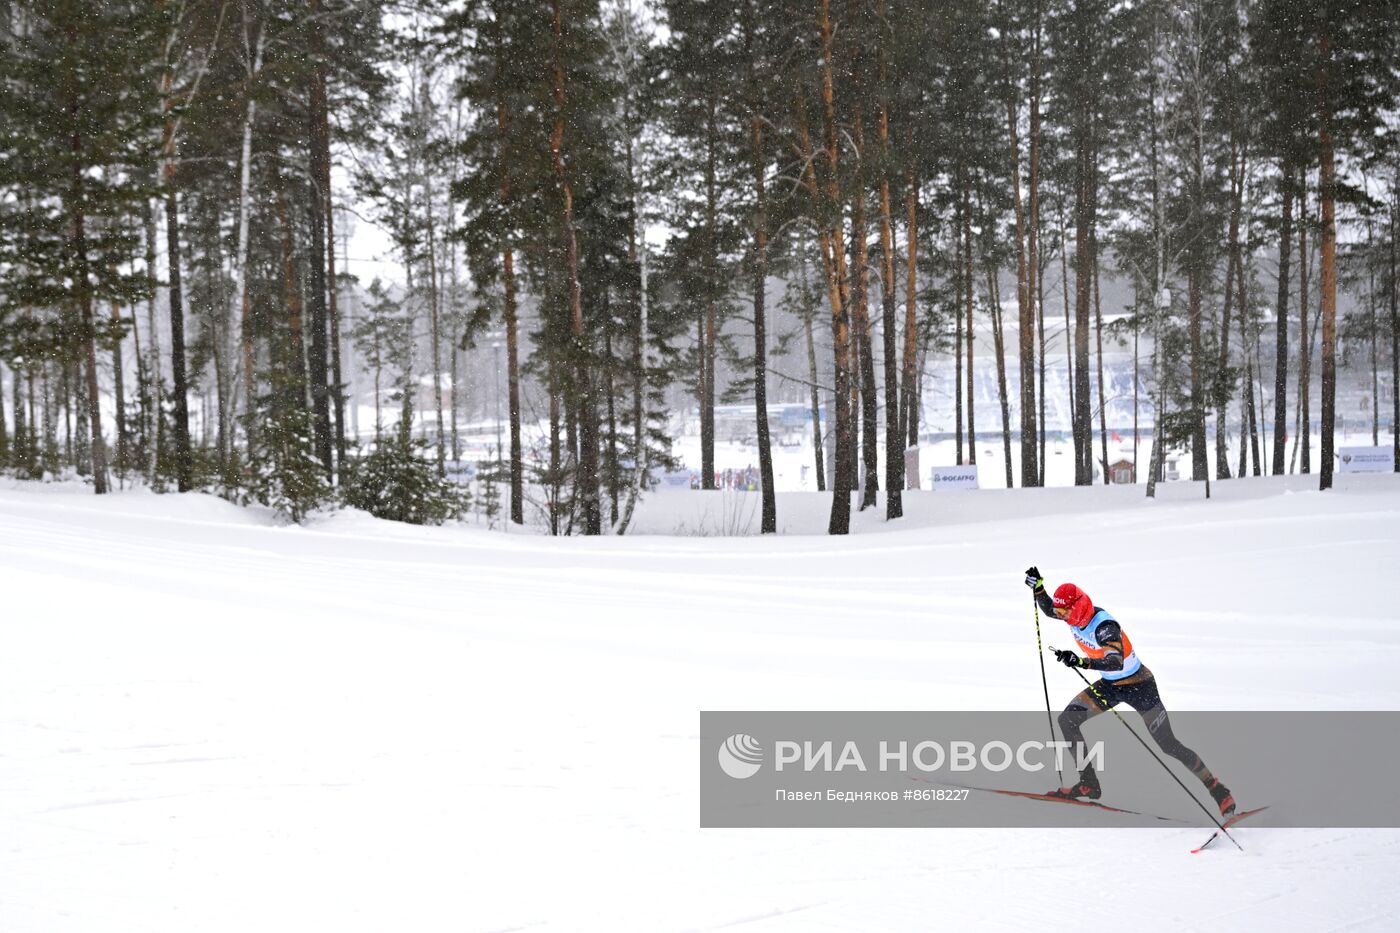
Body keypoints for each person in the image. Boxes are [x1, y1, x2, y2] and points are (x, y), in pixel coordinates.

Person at [1023, 566, 1236, 816]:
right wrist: (1038, 588)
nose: (1061, 616)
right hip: (1111, 686)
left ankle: (1218, 790)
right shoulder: (1073, 615)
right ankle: (1089, 785)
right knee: (1068, 720)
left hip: (1139, 687)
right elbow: (1049, 609)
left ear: (1077, 607)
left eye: (1064, 611)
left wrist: (1082, 662)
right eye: (1060, 612)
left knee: (1168, 744)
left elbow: (1116, 661)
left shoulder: (1105, 627)